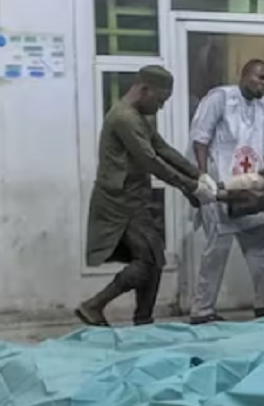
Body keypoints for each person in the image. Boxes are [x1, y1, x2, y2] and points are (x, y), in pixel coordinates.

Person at [77, 65, 216, 327]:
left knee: (153, 259)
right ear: (144, 89)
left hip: (134, 198)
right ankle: (94, 305)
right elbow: (150, 160)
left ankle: (142, 319)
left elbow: (162, 148)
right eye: (160, 100)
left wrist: (198, 174)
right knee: (149, 260)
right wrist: (191, 186)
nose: (161, 107)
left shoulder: (140, 117)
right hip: (120, 202)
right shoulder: (124, 118)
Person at [189, 59, 264, 324]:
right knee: (217, 247)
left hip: (250, 186)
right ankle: (202, 311)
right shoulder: (220, 98)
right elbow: (200, 139)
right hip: (218, 185)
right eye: (260, 77)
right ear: (243, 75)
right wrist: (202, 178)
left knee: (260, 239)